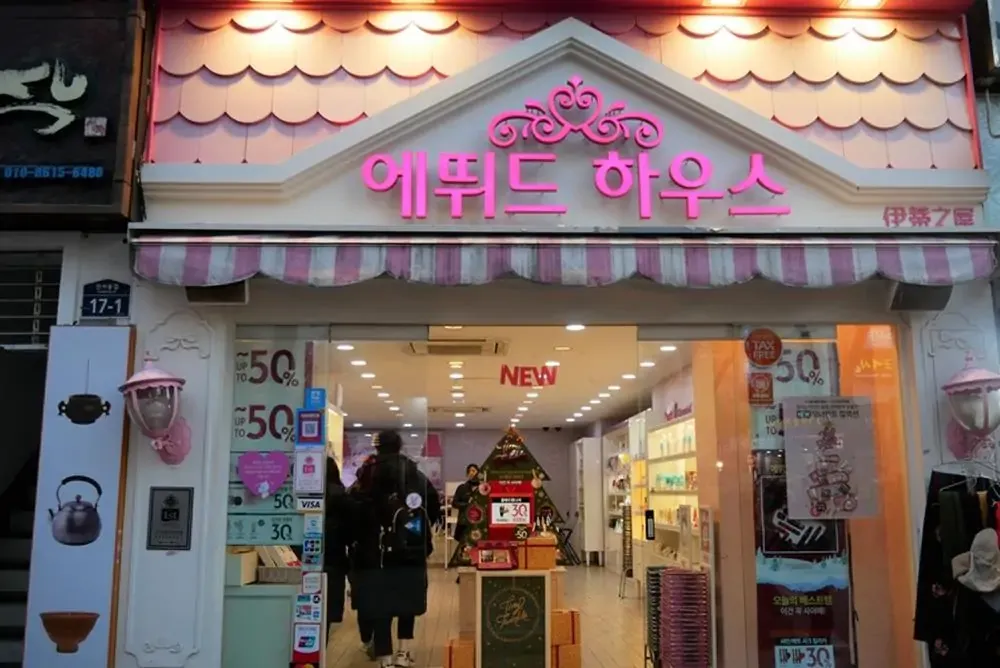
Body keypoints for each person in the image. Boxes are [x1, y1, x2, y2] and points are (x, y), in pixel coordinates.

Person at [349, 431, 442, 667]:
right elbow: (432, 503)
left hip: (375, 551)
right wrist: (417, 529)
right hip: (410, 548)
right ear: (399, 446)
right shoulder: (412, 472)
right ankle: (404, 652)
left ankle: (385, 657)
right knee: (407, 601)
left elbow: (354, 509)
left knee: (380, 605)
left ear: (378, 447)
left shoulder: (367, 473)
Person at [322, 458, 350, 635]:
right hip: (335, 557)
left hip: (304, 556)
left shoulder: (301, 493)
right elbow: (350, 529)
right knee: (328, 607)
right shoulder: (342, 496)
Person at [450, 463, 479, 583]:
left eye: (474, 470)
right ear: (467, 474)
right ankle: (463, 574)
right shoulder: (462, 488)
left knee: (477, 547)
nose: (472, 473)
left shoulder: (483, 488)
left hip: (478, 524)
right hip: (464, 523)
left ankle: (477, 572)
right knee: (465, 549)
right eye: (470, 471)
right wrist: (467, 505)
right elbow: (454, 503)